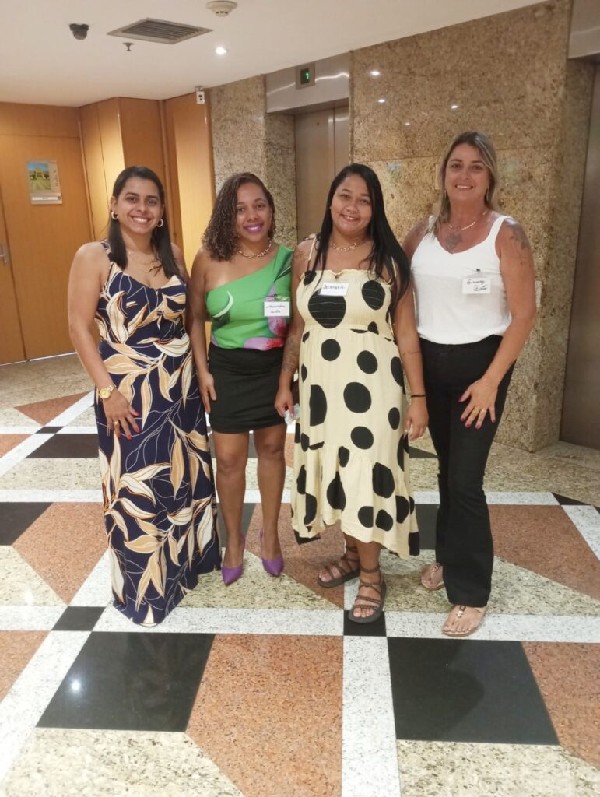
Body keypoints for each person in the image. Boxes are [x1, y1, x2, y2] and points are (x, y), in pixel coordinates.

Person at [68, 165, 220, 626]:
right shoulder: (94, 256)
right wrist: (107, 390)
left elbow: (189, 319)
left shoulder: (172, 253)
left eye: (151, 200)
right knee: (136, 487)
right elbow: (78, 327)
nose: (141, 208)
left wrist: (200, 371)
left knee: (183, 478)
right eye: (131, 199)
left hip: (180, 388)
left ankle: (185, 569)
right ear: (114, 205)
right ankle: (144, 590)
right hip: (127, 393)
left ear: (161, 210)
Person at [275, 163, 428, 624]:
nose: (353, 207)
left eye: (365, 200)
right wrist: (286, 380)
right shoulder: (307, 254)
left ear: (375, 209)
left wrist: (418, 399)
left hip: (374, 389)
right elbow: (298, 327)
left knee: (366, 472)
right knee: (337, 472)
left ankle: (372, 574)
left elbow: (407, 336)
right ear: (330, 200)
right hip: (321, 389)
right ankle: (351, 553)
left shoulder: (388, 260)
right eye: (345, 196)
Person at [404, 131, 536, 637]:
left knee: (465, 481)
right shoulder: (422, 231)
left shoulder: (507, 233)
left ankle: (471, 591)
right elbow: (394, 285)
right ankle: (448, 556)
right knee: (446, 471)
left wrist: (490, 382)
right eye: (456, 165)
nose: (464, 175)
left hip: (482, 367)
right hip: (431, 363)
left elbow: (524, 315)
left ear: (490, 176)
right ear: (443, 173)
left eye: (476, 166)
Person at [188, 173, 293, 585]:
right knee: (229, 459)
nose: (252, 216)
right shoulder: (208, 260)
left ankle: (270, 535)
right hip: (227, 370)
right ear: (226, 216)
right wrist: (202, 370)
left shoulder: (289, 260)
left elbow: (298, 324)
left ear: (271, 209)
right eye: (240, 209)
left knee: (272, 450)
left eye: (259, 206)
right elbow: (194, 319)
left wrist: (287, 379)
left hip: (273, 369)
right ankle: (234, 539)